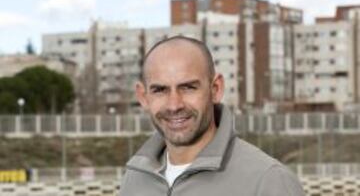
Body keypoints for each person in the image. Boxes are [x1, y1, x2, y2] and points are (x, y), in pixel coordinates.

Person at [119, 36, 305, 196]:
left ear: (215, 89)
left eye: (188, 87)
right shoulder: (135, 179)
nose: (174, 105)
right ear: (143, 97)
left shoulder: (268, 181)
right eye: (160, 90)